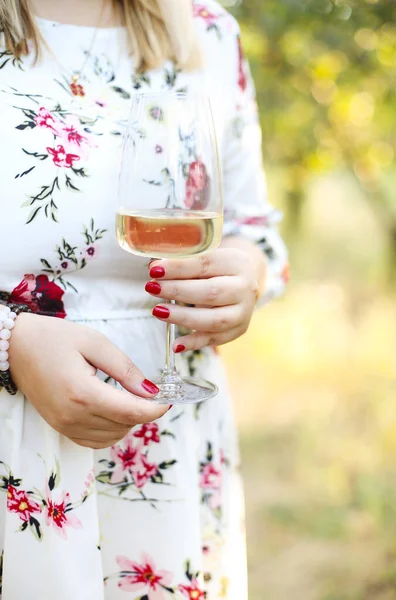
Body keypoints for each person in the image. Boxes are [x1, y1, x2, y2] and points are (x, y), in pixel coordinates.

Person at [0, 0, 288, 598]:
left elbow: (253, 228)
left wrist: (243, 274)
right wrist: (11, 340)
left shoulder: (207, 32)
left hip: (168, 451)